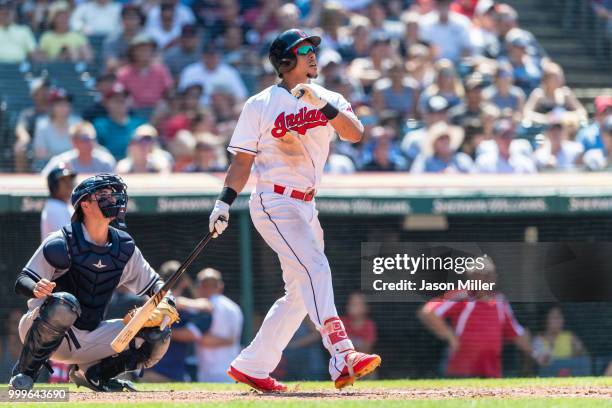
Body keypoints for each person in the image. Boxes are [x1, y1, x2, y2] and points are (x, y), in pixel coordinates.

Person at [208, 29, 381, 392]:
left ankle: (253, 365)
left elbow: (355, 134)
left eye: (314, 49)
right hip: (274, 199)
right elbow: (242, 162)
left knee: (301, 293)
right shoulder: (260, 103)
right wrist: (224, 202)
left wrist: (323, 104)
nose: (313, 55)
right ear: (285, 61)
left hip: (307, 204)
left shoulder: (328, 96)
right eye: (304, 50)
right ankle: (342, 353)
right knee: (316, 267)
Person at [8, 174, 179, 391]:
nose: (113, 198)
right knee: (64, 303)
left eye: (114, 193)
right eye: (104, 194)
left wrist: (168, 302)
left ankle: (95, 374)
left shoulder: (124, 247)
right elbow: (22, 280)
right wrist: (35, 287)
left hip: (90, 337)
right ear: (85, 205)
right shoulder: (61, 242)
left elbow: (156, 286)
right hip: (44, 329)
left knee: (157, 333)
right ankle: (25, 373)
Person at [418, 258, 534, 378]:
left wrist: (536, 354)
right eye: (481, 275)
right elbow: (428, 312)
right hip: (462, 371)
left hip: (491, 372)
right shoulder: (462, 296)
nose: (486, 279)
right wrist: (450, 337)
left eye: (489, 275)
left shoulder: (500, 301)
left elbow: (515, 333)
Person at [195, 268, 243, 382]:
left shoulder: (205, 306)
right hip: (231, 371)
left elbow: (203, 339)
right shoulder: (234, 307)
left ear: (200, 287)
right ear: (220, 286)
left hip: (210, 374)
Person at [116, 34, 174, 111]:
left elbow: (170, 92)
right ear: (132, 52)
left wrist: (164, 102)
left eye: (147, 49)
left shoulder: (161, 70)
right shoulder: (123, 73)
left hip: (156, 111)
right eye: (140, 49)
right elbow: (118, 94)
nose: (144, 53)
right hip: (132, 112)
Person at [179, 43, 247, 106]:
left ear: (219, 56)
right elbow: (182, 96)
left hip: (222, 109)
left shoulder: (229, 72)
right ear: (202, 56)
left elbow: (241, 96)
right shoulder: (190, 71)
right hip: (196, 109)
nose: (210, 59)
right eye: (208, 56)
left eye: (213, 56)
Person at [94, 83, 146, 161]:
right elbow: (95, 150)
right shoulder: (99, 125)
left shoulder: (139, 124)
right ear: (106, 103)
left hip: (134, 167)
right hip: (108, 168)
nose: (120, 102)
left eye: (123, 99)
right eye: (115, 99)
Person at [32, 88, 81, 170]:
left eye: (66, 104)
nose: (64, 108)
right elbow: (40, 154)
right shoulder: (42, 125)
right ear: (52, 107)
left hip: (76, 167)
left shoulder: (78, 123)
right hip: (50, 169)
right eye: (60, 105)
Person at [41, 121, 116, 175]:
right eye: (85, 139)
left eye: (92, 139)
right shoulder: (61, 161)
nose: (90, 143)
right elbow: (43, 179)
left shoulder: (106, 162)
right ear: (74, 142)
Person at [14, 77, 50, 172]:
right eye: (40, 91)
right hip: (33, 147)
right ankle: (22, 178)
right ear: (34, 95)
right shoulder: (27, 114)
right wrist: (24, 138)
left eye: (46, 91)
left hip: (51, 143)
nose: (43, 94)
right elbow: (20, 128)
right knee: (20, 148)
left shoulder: (55, 113)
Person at [41, 163, 76, 240]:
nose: (69, 184)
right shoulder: (55, 208)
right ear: (54, 186)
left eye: (70, 180)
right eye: (64, 181)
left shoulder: (64, 205)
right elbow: (69, 237)